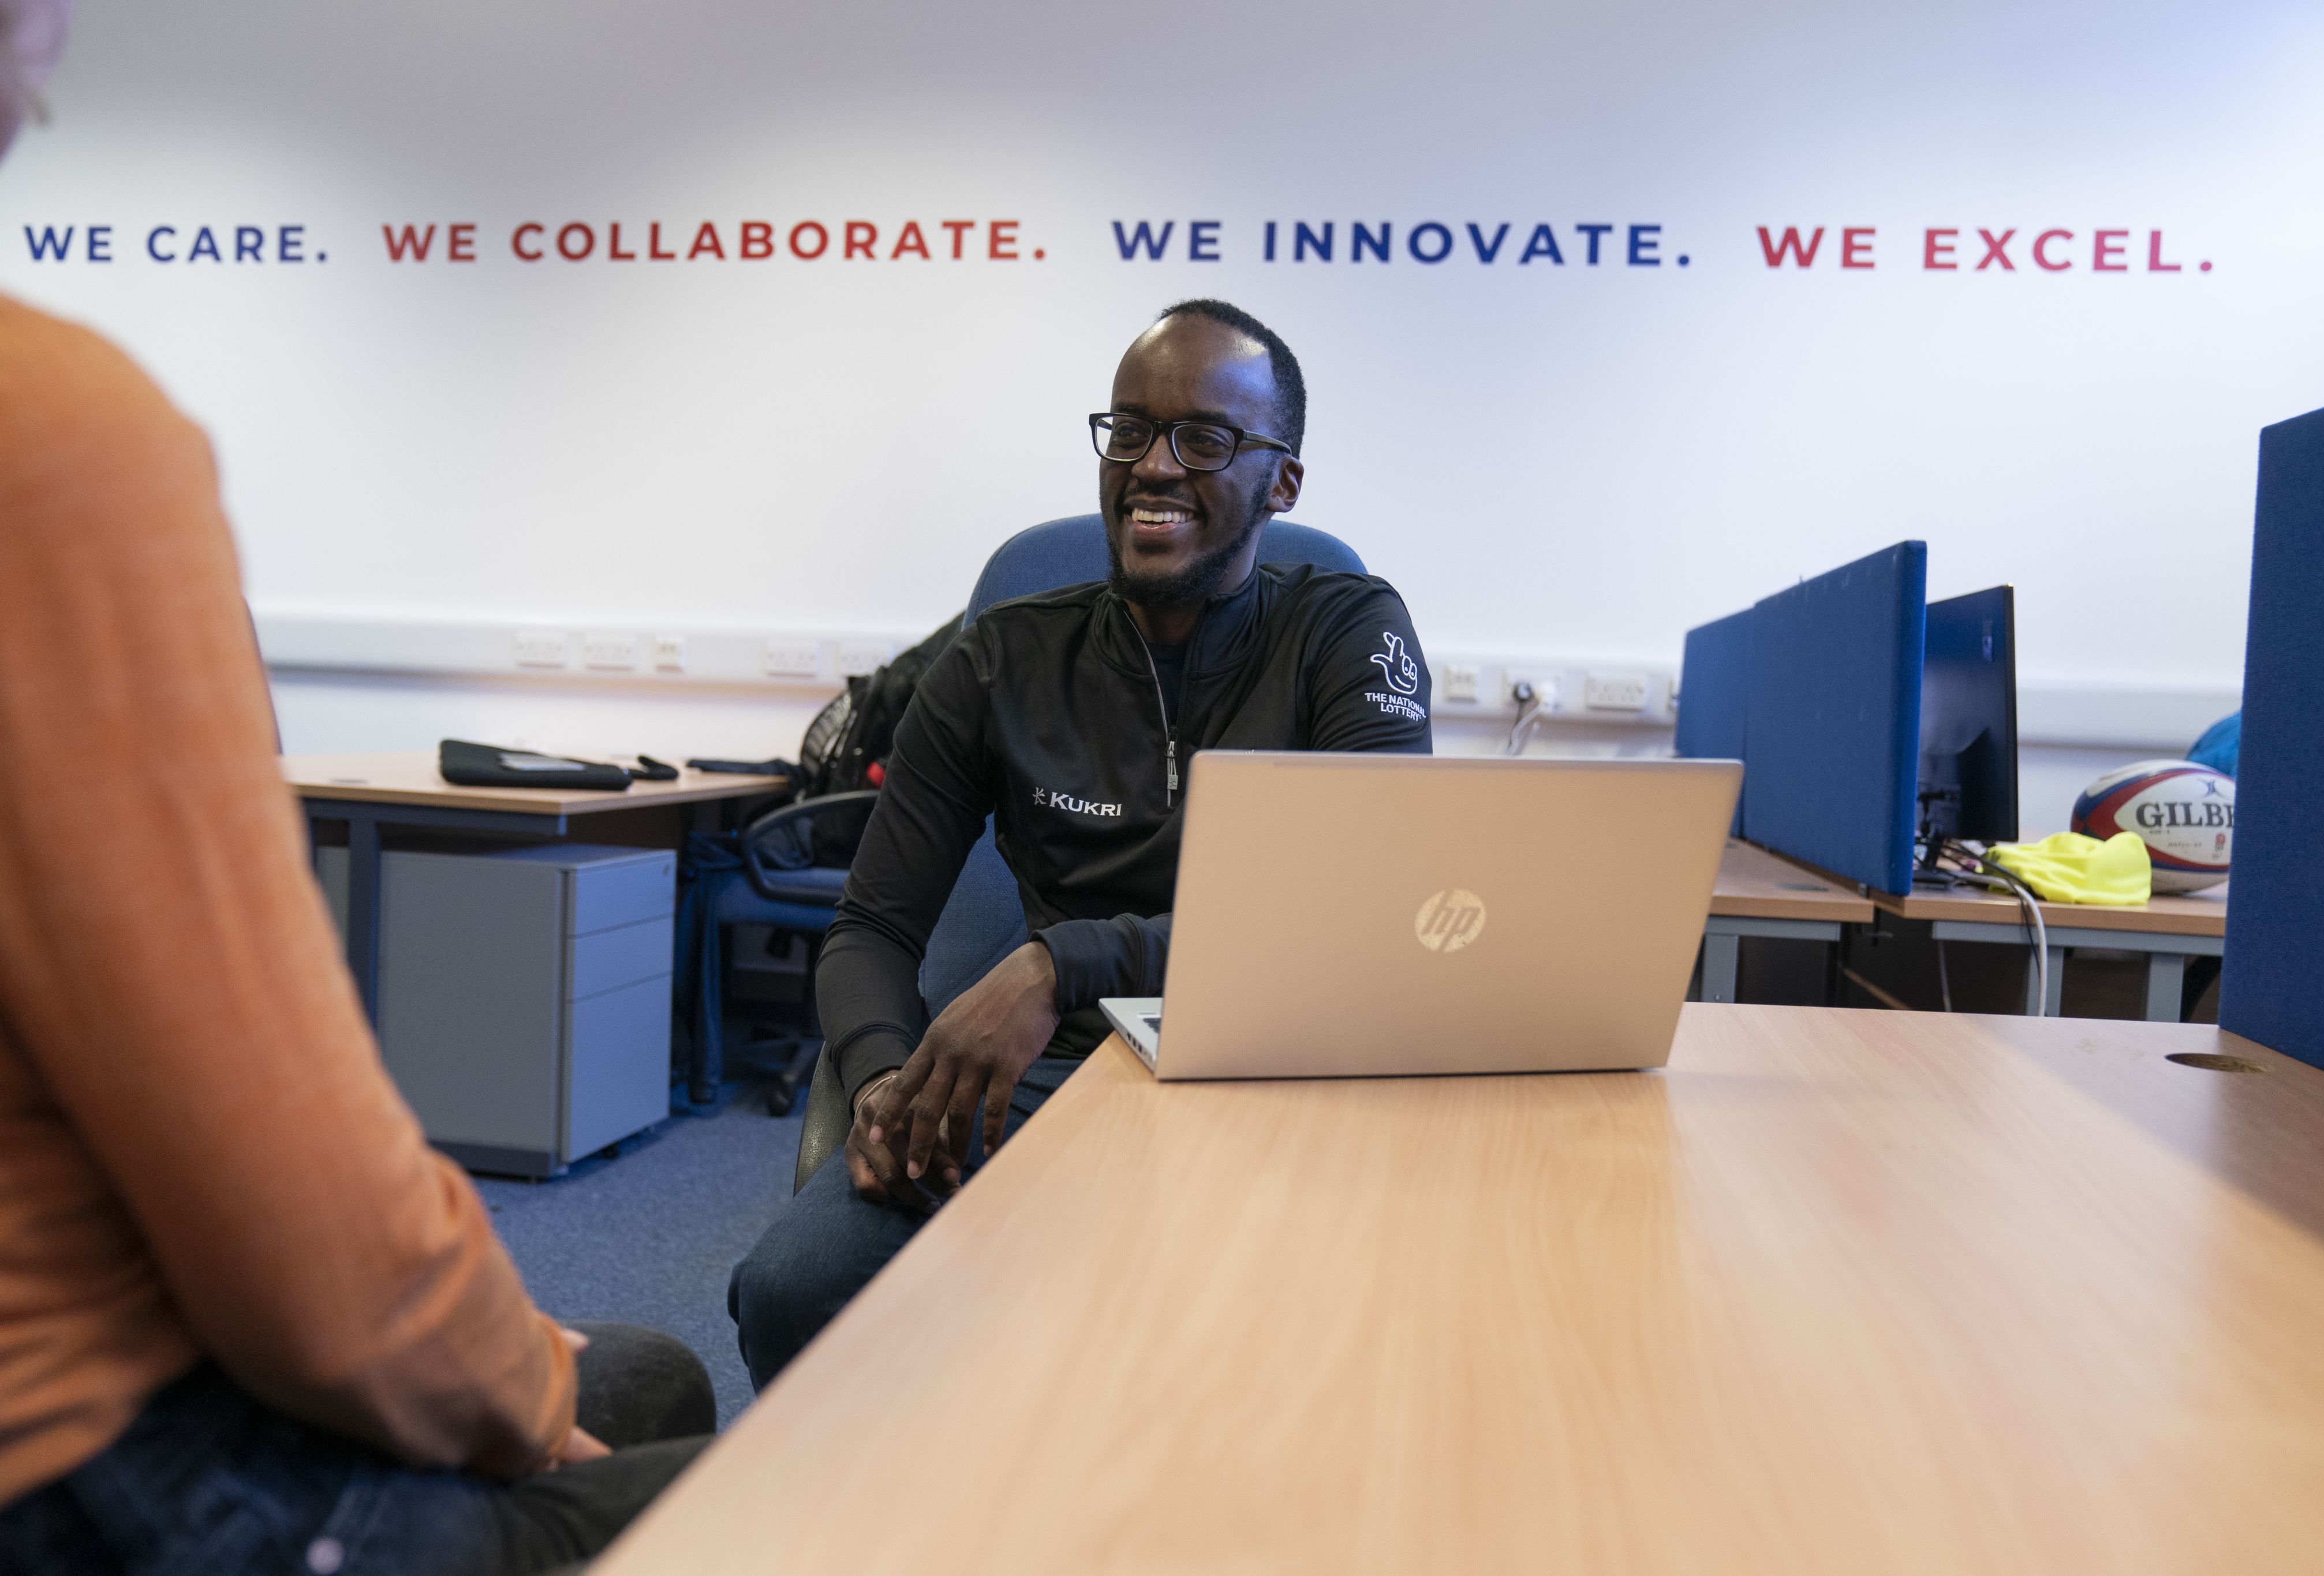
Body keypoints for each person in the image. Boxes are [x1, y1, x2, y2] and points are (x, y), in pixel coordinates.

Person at [0, 8, 712, 1571]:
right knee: (773, 1470)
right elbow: (308, 1240)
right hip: (75, 1471)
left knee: (642, 1373)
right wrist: (522, 1387)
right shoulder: (52, 434)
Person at [729, 299, 1434, 1386]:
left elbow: (1358, 905)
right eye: (1130, 430)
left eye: (1205, 438)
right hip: (1050, 1081)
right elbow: (870, 925)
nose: (1153, 466)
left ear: (1281, 483)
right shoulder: (1001, 660)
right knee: (795, 1291)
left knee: (1349, 1326)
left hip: (1278, 1068)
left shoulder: (1343, 630)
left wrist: (1066, 959)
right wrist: (878, 1085)